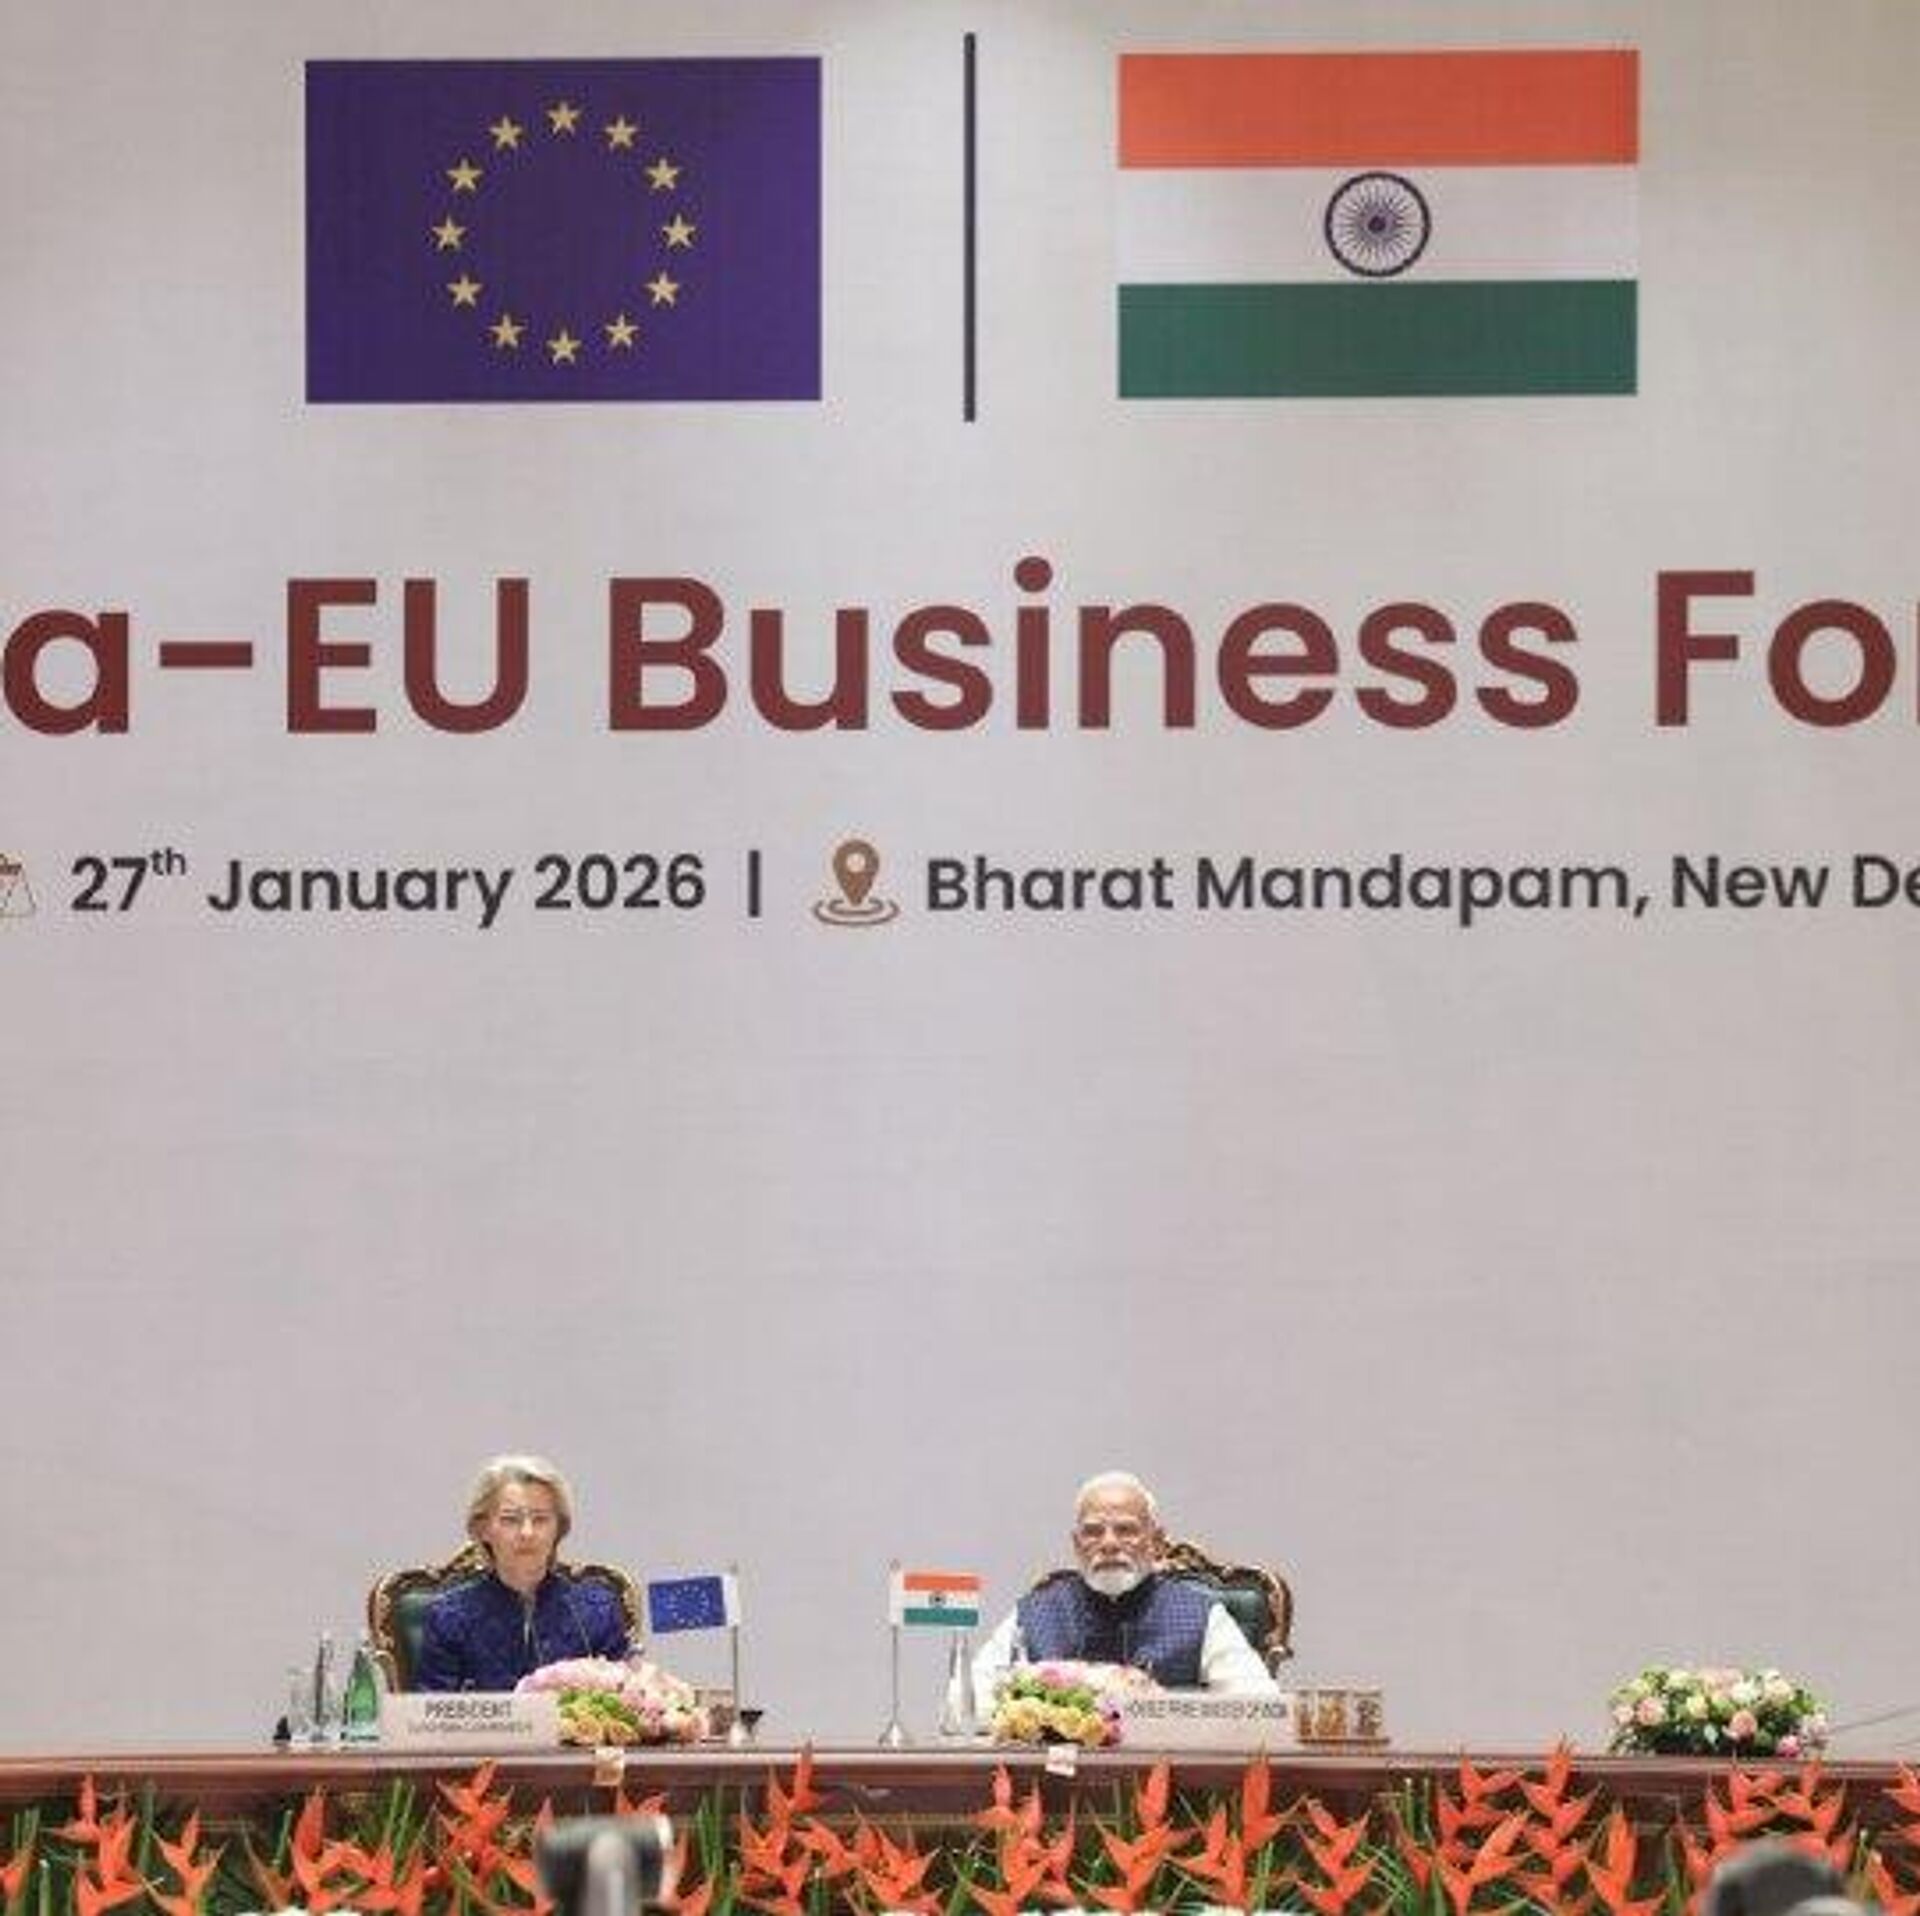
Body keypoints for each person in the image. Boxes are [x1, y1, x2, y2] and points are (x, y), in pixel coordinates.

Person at [972, 1469, 1280, 1700]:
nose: (1109, 1544)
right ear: (1077, 1544)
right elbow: (967, 1703)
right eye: (1093, 1532)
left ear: (1155, 1541)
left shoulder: (1200, 1615)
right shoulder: (1035, 1612)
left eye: (1126, 1530)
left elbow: (1259, 1705)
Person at [413, 1453, 631, 1691]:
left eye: (540, 1519)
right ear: (483, 1529)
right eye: (511, 1520)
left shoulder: (597, 1611)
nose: (527, 1533)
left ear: (559, 1529)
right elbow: (432, 1708)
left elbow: (626, 1701)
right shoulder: (449, 1617)